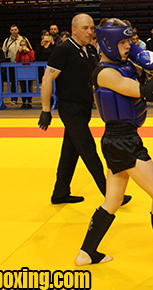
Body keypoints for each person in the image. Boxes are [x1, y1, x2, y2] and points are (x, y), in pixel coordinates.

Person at [74, 18, 153, 271]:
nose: (128, 45)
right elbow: (149, 92)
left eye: (129, 40)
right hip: (123, 141)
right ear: (107, 43)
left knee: (112, 200)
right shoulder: (106, 73)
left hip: (118, 139)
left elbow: (144, 72)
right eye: (123, 41)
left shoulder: (124, 64)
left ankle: (86, 253)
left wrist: (148, 58)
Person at [38, 13, 131, 206]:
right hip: (70, 109)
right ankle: (112, 195)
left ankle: (60, 193)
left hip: (84, 108)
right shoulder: (63, 50)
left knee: (70, 152)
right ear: (73, 30)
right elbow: (47, 78)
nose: (90, 32)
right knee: (89, 150)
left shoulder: (89, 51)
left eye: (91, 28)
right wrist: (46, 110)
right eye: (85, 28)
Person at [3, 25, 25, 105]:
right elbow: (4, 52)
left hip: (21, 65)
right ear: (10, 31)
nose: (14, 31)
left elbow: (29, 49)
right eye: (12, 30)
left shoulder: (23, 39)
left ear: (18, 30)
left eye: (15, 29)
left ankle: (25, 100)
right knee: (13, 82)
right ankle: (14, 99)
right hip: (11, 64)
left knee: (23, 83)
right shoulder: (7, 41)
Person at [15, 38, 35, 109]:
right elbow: (17, 60)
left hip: (29, 71)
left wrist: (28, 51)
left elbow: (32, 59)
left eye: (24, 45)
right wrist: (19, 52)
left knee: (29, 87)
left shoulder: (31, 51)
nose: (23, 46)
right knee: (22, 87)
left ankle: (29, 102)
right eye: (21, 45)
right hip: (21, 72)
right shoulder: (19, 52)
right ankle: (23, 102)